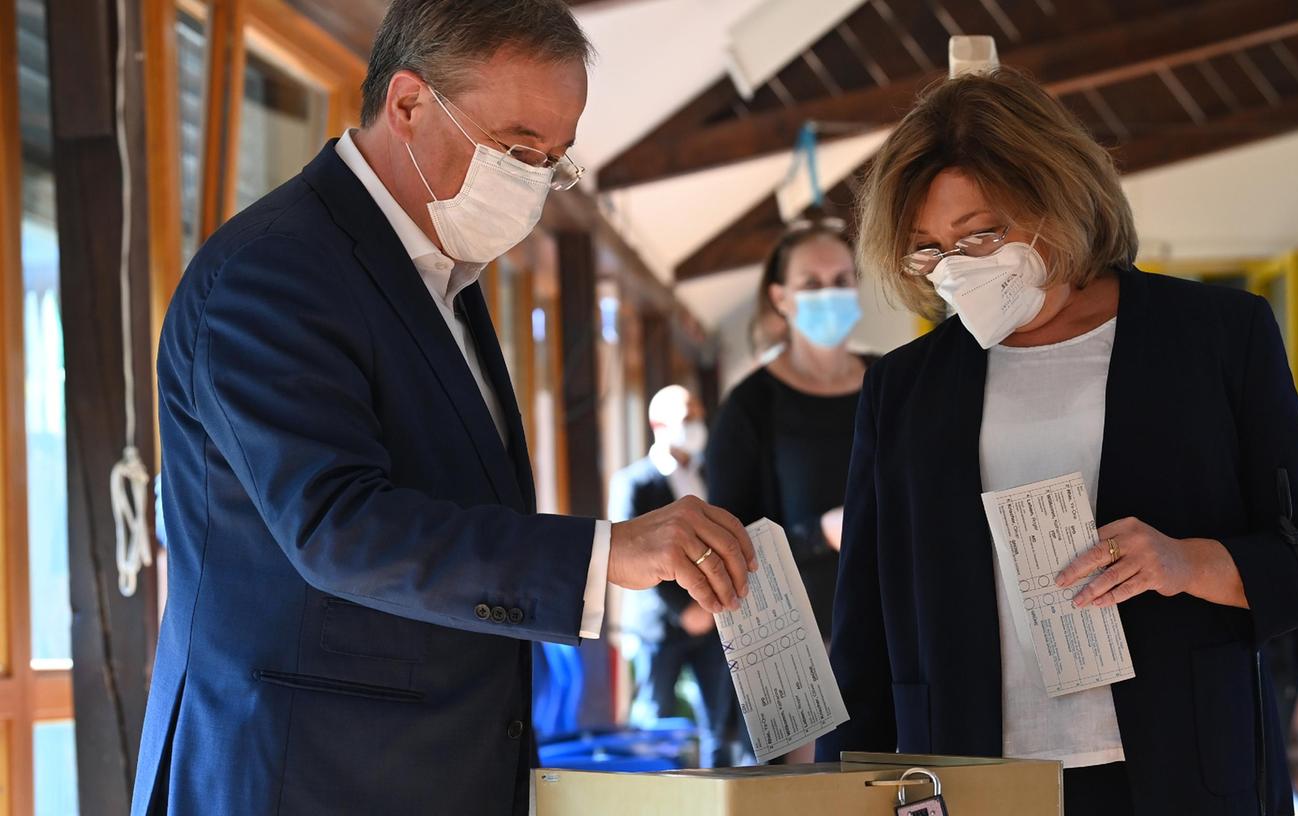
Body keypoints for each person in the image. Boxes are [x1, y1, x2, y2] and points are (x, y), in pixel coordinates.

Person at [132, 3, 758, 814]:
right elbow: (339, 525)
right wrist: (605, 556)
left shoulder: (441, 277)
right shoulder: (274, 271)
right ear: (406, 105)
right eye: (518, 147)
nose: (535, 178)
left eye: (555, 159)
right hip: (300, 774)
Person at [817, 68, 1298, 815]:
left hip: (1180, 764)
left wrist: (1183, 561)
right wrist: (850, 793)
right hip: (971, 775)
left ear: (1056, 199)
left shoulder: (1215, 338)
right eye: (929, 251)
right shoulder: (906, 387)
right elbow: (864, 624)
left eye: (980, 233)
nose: (958, 267)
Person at [706, 221, 867, 763]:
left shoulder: (893, 386)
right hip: (795, 654)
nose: (830, 294)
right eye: (812, 283)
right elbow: (726, 548)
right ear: (780, 298)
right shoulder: (750, 407)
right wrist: (820, 534)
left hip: (891, 634)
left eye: (842, 279)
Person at [609, 385, 740, 767]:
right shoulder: (633, 482)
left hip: (712, 622)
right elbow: (628, 557)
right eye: (688, 417)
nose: (697, 423)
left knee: (718, 725)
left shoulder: (711, 472)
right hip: (660, 628)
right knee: (654, 723)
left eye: (700, 414)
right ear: (658, 424)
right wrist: (684, 611)